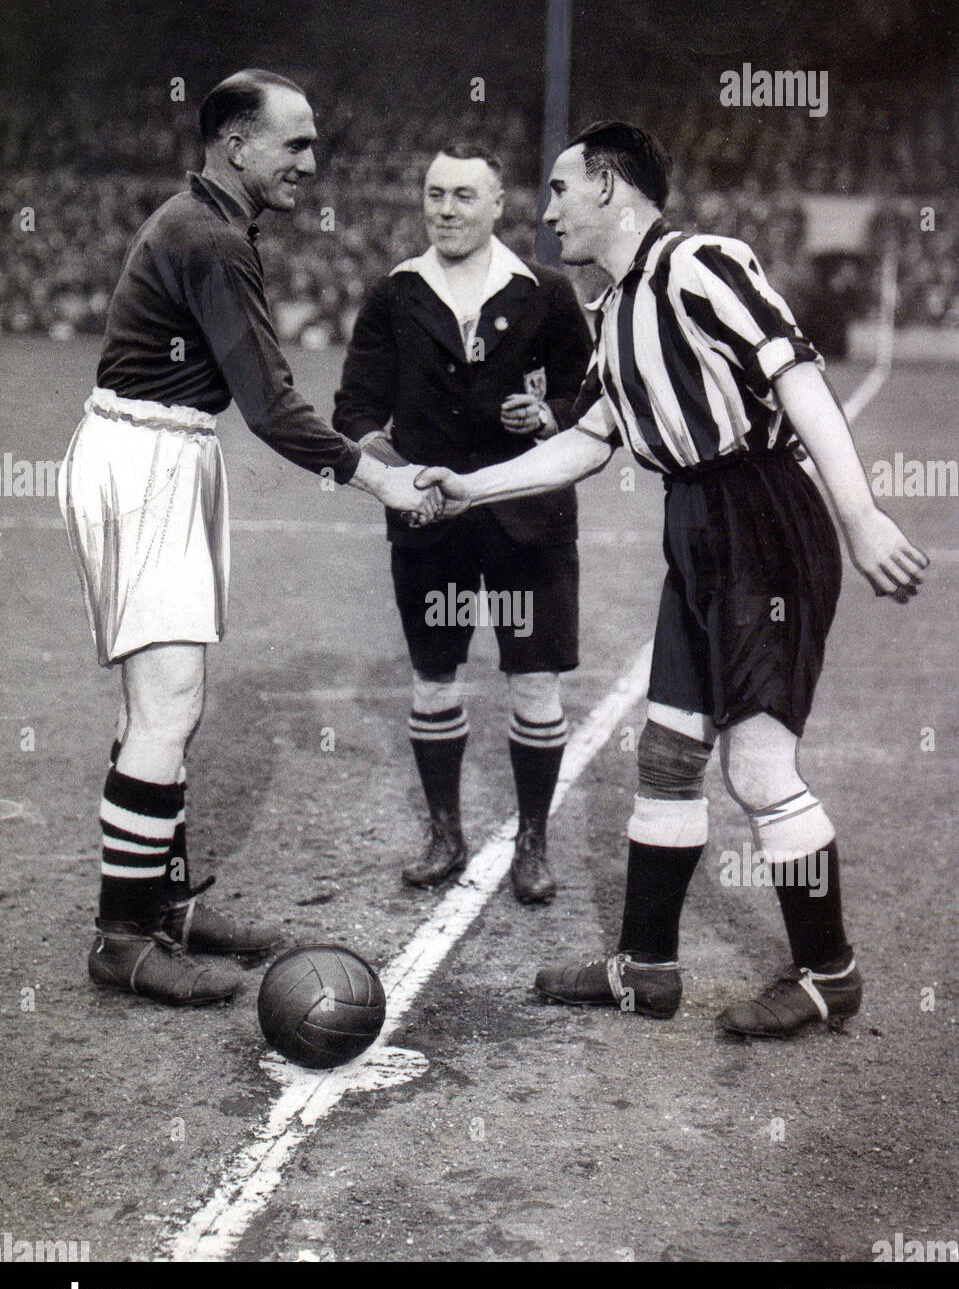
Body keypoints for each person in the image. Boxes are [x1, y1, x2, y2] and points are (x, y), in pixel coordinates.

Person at [416, 120, 929, 1038]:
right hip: (694, 525)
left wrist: (861, 516)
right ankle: (645, 968)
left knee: (758, 766)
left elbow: (797, 376)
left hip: (761, 518)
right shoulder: (614, 309)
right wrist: (467, 489)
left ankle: (826, 974)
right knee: (665, 757)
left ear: (609, 187)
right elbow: (586, 440)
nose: (547, 212)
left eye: (561, 190)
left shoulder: (701, 264)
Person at [58, 70, 438, 1006]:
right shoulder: (211, 239)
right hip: (144, 460)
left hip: (161, 453)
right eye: (295, 143)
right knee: (168, 704)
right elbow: (270, 407)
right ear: (236, 143)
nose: (313, 160)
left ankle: (167, 905)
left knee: (159, 700)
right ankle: (121, 938)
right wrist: (379, 478)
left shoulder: (208, 225)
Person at [333, 144, 591, 903]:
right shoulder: (394, 294)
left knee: (534, 683)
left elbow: (590, 399)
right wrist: (388, 467)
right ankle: (445, 834)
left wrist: (548, 415)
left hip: (526, 518)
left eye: (462, 196)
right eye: (435, 194)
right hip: (431, 518)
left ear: (497, 205)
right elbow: (354, 410)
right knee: (433, 676)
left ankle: (532, 844)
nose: (445, 209)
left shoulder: (543, 290)